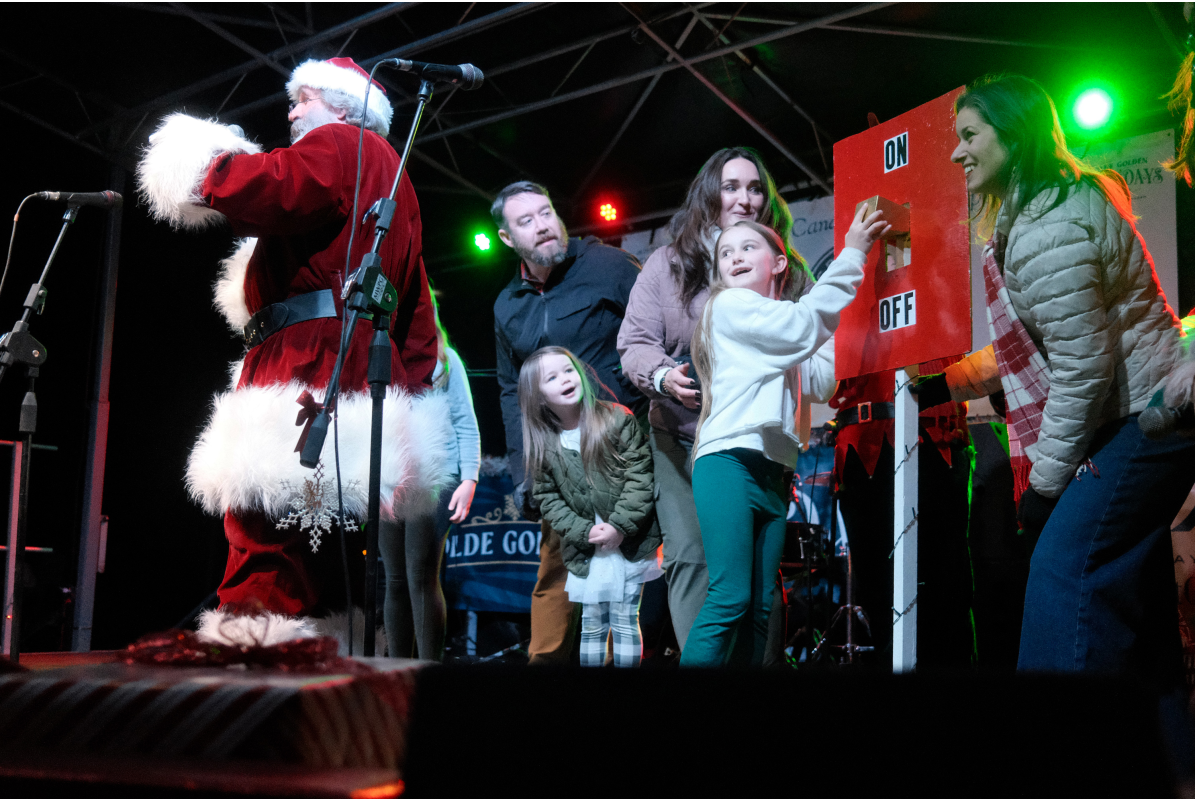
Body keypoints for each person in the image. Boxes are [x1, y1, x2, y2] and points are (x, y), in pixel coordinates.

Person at [137, 57, 448, 646]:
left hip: (302, 369)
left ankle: (252, 678)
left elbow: (274, 187)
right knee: (319, 547)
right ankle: (315, 681)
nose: (292, 112)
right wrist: (409, 390)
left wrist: (202, 161)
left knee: (264, 535)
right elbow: (416, 313)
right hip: (349, 373)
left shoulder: (337, 144)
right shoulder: (395, 178)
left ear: (339, 104)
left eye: (300, 100)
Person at [933, 74, 1192, 681]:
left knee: (1060, 567)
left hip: (1147, 417)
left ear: (1012, 133)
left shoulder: (1043, 226)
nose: (956, 151)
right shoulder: (1047, 208)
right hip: (1144, 413)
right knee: (1144, 606)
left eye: (970, 134)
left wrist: (1042, 492)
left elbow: (1082, 370)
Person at [681, 211, 887, 667]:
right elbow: (801, 326)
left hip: (773, 469)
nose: (733, 258)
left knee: (759, 608)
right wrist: (853, 253)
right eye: (725, 253)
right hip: (729, 461)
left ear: (778, 263)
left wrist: (843, 313)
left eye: (746, 247)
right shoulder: (730, 306)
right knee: (730, 597)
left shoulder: (776, 328)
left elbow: (822, 380)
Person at [618, 147, 800, 654]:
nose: (745, 197)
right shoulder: (669, 262)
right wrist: (663, 377)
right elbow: (635, 343)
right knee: (700, 566)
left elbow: (811, 337)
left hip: (758, 446)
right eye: (731, 186)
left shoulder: (784, 263)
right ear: (709, 194)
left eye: (755, 187)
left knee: (759, 591)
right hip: (683, 440)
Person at [492, 181, 645, 664]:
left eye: (546, 212)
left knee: (636, 581)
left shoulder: (608, 266)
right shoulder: (506, 305)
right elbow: (507, 390)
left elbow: (655, 333)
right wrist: (524, 474)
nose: (542, 226)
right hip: (558, 463)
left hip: (624, 452)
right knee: (558, 578)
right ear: (505, 238)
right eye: (526, 220)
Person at [519, 346, 662, 667]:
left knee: (625, 617)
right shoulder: (546, 444)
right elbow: (549, 499)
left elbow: (640, 476)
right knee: (591, 624)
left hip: (629, 543)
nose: (564, 379)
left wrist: (620, 526)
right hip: (587, 549)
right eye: (551, 377)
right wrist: (585, 531)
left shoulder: (616, 419)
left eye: (568, 370)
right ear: (539, 396)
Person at [380, 300, 480, 660]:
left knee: (420, 574)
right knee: (393, 578)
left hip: (434, 478)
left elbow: (465, 422)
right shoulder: (380, 359)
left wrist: (469, 478)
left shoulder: (445, 359)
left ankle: (427, 669)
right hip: (389, 480)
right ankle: (397, 669)